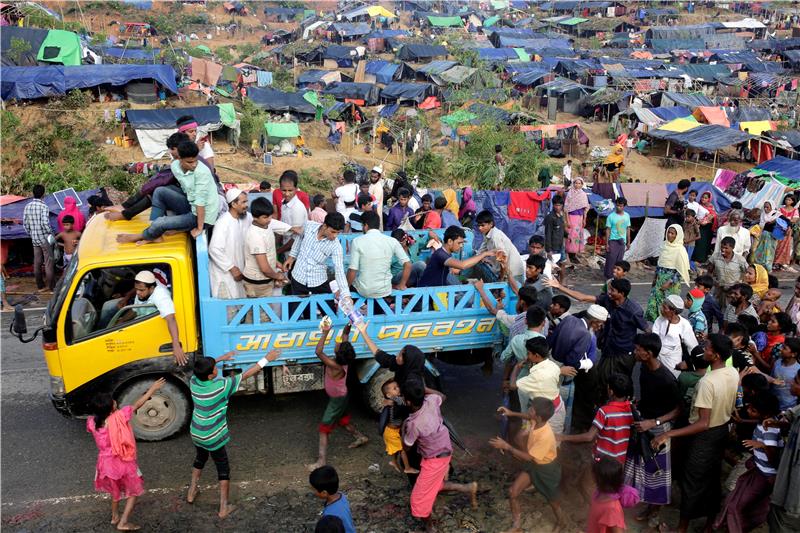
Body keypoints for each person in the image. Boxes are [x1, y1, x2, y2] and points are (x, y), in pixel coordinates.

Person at [651, 334, 739, 533]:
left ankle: (681, 528)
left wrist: (669, 434)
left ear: (715, 355)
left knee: (691, 483)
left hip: (705, 437)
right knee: (712, 479)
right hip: (721, 431)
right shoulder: (732, 372)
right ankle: (709, 524)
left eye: (707, 347)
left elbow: (703, 423)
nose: (704, 349)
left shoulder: (707, 383)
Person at [187, 349, 279, 518]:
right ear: (210, 376)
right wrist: (267, 358)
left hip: (196, 432)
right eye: (214, 368)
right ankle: (223, 508)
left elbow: (202, 367)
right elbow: (247, 374)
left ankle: (192, 491)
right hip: (213, 436)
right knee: (223, 469)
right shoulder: (221, 387)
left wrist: (222, 357)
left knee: (200, 459)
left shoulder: (193, 381)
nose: (216, 369)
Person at [88, 378, 165, 531]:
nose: (115, 402)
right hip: (123, 462)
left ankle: (114, 516)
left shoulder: (91, 423)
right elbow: (137, 404)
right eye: (113, 402)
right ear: (111, 408)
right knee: (134, 491)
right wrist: (152, 389)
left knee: (115, 492)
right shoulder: (120, 417)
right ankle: (123, 522)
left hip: (105, 465)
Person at [402, 380, 478, 532]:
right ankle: (468, 488)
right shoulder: (431, 400)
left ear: (407, 401)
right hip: (445, 450)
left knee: (418, 499)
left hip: (434, 460)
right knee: (435, 485)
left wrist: (403, 430)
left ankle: (430, 525)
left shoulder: (414, 424)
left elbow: (407, 446)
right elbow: (442, 396)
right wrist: (424, 389)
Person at [117, 141, 219, 245]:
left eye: (195, 161)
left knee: (161, 223)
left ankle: (144, 235)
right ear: (179, 159)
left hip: (203, 215)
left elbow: (200, 203)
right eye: (189, 162)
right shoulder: (175, 166)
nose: (194, 165)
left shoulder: (202, 173)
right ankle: (155, 234)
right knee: (159, 191)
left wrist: (199, 228)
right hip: (191, 204)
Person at [626, 333, 681, 522]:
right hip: (644, 421)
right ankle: (644, 500)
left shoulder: (667, 379)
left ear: (648, 353)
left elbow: (677, 410)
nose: (635, 352)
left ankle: (655, 509)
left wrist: (655, 422)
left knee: (657, 469)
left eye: (638, 349)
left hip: (659, 428)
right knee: (642, 464)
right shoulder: (643, 368)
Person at [490, 397, 567, 533]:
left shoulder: (545, 436)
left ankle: (561, 523)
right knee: (512, 492)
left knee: (553, 502)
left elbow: (528, 457)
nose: (528, 410)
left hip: (546, 470)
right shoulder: (536, 420)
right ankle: (517, 525)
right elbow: (527, 416)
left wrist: (507, 446)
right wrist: (511, 413)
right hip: (534, 465)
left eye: (531, 409)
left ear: (537, 416)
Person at [714, 393, 782, 532]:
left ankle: (735, 528)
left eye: (753, 410)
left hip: (766, 475)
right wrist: (742, 421)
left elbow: (774, 458)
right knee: (738, 500)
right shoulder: (767, 421)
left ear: (765, 413)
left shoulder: (769, 430)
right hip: (758, 470)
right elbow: (757, 422)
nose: (749, 411)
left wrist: (762, 446)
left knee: (735, 505)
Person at [310, 322, 369, 470]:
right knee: (343, 420)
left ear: (338, 353)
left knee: (324, 428)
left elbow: (318, 351)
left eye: (338, 346)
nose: (337, 344)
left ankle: (321, 461)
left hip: (337, 400)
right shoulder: (345, 359)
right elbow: (345, 336)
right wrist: (349, 324)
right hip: (341, 396)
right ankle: (360, 436)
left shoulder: (335, 365)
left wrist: (325, 332)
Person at [549, 304, 608, 433]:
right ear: (594, 321)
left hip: (552, 361)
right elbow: (572, 362)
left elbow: (551, 340)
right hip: (564, 372)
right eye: (601, 323)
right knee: (561, 405)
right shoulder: (586, 335)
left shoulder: (569, 319)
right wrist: (587, 364)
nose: (601, 327)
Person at [283, 213, 349, 299]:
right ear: (324, 226)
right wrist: (291, 257)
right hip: (298, 277)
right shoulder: (308, 226)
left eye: (338, 233)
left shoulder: (336, 246)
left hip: (318, 281)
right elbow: (299, 238)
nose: (335, 236)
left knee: (328, 310)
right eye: (333, 232)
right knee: (298, 309)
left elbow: (339, 270)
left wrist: (346, 295)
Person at [242, 198, 297, 299]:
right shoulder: (255, 236)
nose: (269, 220)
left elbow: (267, 252)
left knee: (258, 312)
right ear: (255, 217)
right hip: (257, 283)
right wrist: (279, 276)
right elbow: (264, 269)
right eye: (265, 217)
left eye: (270, 216)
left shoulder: (265, 226)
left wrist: (275, 262)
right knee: (262, 313)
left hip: (264, 280)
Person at [347, 211, 410, 297]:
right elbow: (408, 264)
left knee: (347, 280)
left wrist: (345, 289)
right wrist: (402, 284)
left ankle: (362, 306)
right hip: (385, 290)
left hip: (364, 291)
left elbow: (352, 271)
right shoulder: (392, 241)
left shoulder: (357, 241)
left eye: (362, 226)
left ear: (366, 225)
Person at [768, 374, 800, 532]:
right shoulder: (797, 411)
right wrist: (778, 422)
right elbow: (793, 414)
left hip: (793, 496)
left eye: (796, 381)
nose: (791, 383)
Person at [418, 226, 496, 288]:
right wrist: (484, 254)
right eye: (459, 243)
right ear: (450, 241)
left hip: (436, 294)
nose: (461, 246)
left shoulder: (446, 254)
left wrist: (465, 279)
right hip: (426, 298)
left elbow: (454, 272)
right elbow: (462, 265)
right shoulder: (440, 254)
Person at [208, 189, 249, 299]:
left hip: (238, 274)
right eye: (243, 202)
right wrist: (232, 268)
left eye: (246, 201)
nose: (246, 205)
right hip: (225, 276)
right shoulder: (223, 222)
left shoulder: (245, 217)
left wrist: (290, 228)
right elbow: (214, 249)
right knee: (228, 312)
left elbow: (264, 221)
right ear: (234, 204)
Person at [645, 224, 690, 322]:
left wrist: (669, 282)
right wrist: (655, 279)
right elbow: (659, 264)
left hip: (671, 283)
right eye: (668, 232)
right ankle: (658, 328)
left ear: (677, 235)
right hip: (659, 280)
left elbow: (681, 270)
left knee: (668, 307)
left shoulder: (680, 250)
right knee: (656, 304)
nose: (669, 235)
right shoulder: (664, 245)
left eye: (672, 233)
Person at [587, 457, 639, 533]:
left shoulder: (612, 509)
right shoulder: (598, 493)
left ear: (599, 479)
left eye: (593, 473)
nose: (591, 475)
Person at [652, 294, 698, 376]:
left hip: (673, 365)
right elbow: (654, 339)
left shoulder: (684, 325)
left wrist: (691, 363)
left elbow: (693, 346)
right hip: (657, 361)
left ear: (672, 311)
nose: (661, 309)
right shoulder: (659, 320)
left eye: (664, 308)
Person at [474, 210, 524, 282]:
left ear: (491, 224)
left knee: (514, 292)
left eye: (482, 225)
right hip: (507, 272)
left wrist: (501, 278)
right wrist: (480, 257)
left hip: (513, 273)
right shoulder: (487, 234)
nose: (480, 228)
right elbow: (480, 251)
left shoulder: (495, 237)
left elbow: (503, 260)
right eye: (478, 226)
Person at [380, 379, 417, 474]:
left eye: (397, 387)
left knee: (395, 448)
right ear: (388, 395)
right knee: (402, 450)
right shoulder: (397, 400)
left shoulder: (394, 399)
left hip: (391, 431)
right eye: (395, 388)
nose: (398, 389)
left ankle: (393, 461)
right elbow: (405, 403)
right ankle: (407, 468)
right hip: (391, 432)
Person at [23, 184, 55, 292]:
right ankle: (51, 287)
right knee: (48, 262)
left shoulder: (27, 206)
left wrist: (31, 234)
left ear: (33, 193)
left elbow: (25, 224)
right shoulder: (44, 206)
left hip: (34, 239)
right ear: (43, 194)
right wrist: (50, 233)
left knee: (37, 262)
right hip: (44, 238)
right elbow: (45, 223)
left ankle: (40, 285)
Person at [309, 466, 356, 533]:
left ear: (324, 493)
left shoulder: (330, 516)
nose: (313, 491)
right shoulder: (341, 496)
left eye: (314, 489)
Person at [706, 236, 748, 312]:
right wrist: (713, 282)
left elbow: (747, 273)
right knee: (715, 309)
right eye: (721, 247)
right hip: (719, 289)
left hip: (733, 291)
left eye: (726, 248)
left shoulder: (740, 260)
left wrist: (740, 283)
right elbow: (709, 272)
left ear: (733, 248)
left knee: (730, 311)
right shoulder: (715, 257)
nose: (723, 250)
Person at [276, 171, 309, 254]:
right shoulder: (284, 203)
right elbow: (282, 226)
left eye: (290, 190)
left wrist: (278, 251)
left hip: (295, 254)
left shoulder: (297, 208)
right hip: (286, 248)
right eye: (284, 190)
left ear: (296, 188)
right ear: (280, 188)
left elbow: (296, 238)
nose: (287, 194)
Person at [564, 177, 590, 264]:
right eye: (576, 183)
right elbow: (566, 208)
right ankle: (568, 253)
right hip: (571, 217)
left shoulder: (583, 194)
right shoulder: (570, 194)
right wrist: (567, 220)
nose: (577, 185)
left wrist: (584, 219)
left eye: (579, 183)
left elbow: (585, 208)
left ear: (582, 184)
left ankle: (574, 255)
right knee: (570, 235)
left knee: (577, 235)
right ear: (573, 183)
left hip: (580, 218)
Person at [604, 198, 631, 281]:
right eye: (617, 205)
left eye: (621, 206)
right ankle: (609, 276)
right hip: (613, 240)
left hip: (622, 241)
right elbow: (608, 230)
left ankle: (617, 276)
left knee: (619, 260)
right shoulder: (611, 216)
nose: (619, 207)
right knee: (611, 259)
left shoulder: (627, 216)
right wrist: (607, 243)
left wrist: (628, 242)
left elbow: (628, 229)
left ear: (624, 206)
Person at [752, 200, 780, 271]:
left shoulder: (777, 214)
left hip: (771, 237)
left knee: (769, 252)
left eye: (767, 207)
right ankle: (758, 266)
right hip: (762, 235)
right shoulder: (763, 214)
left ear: (772, 207)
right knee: (759, 251)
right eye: (764, 207)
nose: (765, 209)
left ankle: (768, 268)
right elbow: (761, 225)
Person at [692, 191, 718, 263]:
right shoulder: (697, 205)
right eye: (702, 197)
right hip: (698, 227)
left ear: (709, 199)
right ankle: (695, 258)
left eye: (706, 198)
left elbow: (713, 216)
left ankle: (702, 259)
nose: (703, 199)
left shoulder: (711, 207)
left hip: (707, 229)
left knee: (704, 244)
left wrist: (704, 221)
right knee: (698, 243)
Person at [774, 194, 798, 269]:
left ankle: (780, 262)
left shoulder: (795, 210)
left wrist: (784, 220)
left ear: (793, 201)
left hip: (787, 230)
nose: (787, 201)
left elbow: (794, 220)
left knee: (785, 245)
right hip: (778, 229)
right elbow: (776, 217)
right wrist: (787, 220)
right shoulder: (780, 209)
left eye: (789, 200)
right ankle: (774, 261)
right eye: (786, 199)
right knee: (777, 245)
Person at [543, 196, 566, 270]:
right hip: (553, 247)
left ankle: (561, 281)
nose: (557, 207)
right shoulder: (550, 217)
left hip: (561, 245)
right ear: (553, 205)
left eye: (559, 205)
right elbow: (548, 233)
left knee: (562, 264)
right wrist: (548, 250)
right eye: (555, 205)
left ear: (562, 205)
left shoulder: (561, 215)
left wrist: (568, 235)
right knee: (552, 267)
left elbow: (562, 228)